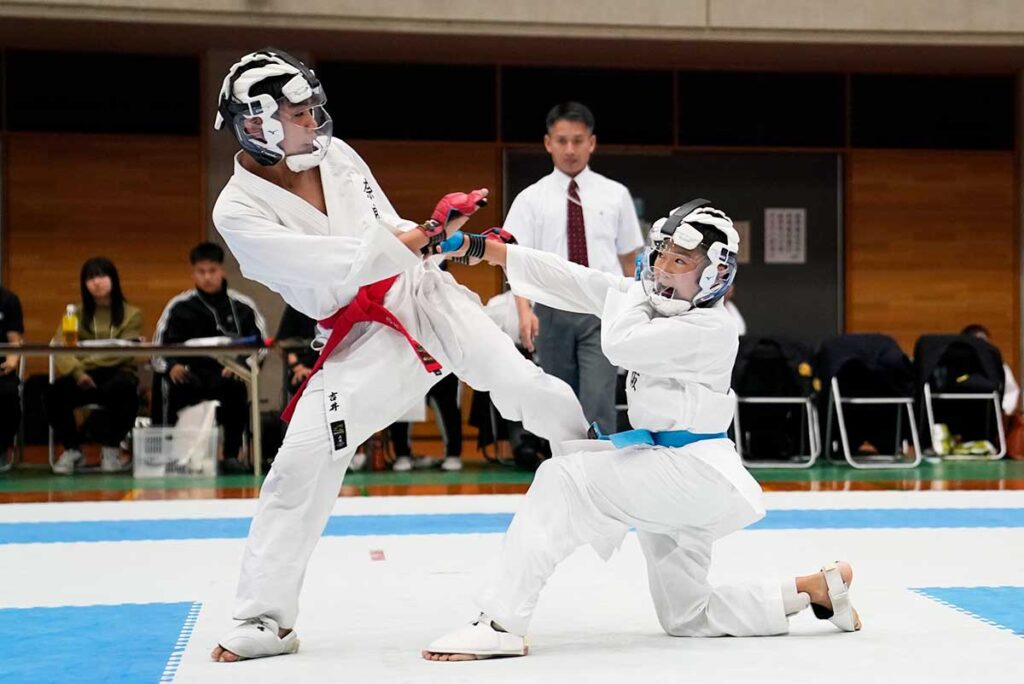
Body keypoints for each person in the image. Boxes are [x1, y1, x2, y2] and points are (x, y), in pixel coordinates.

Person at [207, 48, 587, 662]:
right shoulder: (238, 210)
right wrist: (426, 236)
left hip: (424, 296)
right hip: (362, 341)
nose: (314, 121)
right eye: (299, 113)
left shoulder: (334, 154)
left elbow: (391, 228)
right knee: (301, 461)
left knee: (519, 382)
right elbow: (340, 263)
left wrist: (451, 241)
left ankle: (600, 461)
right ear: (260, 123)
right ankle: (265, 619)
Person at [424, 199, 860, 661]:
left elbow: (619, 343)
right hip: (672, 475)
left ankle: (500, 623)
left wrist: (626, 289)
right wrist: (481, 248)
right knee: (688, 616)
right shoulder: (650, 302)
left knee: (562, 481)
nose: (662, 269)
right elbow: (570, 279)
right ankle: (813, 591)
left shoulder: (712, 329)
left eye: (679, 261)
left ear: (713, 274)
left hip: (693, 474)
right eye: (660, 256)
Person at [505, 101, 644, 434]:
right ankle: (565, 472)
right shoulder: (530, 198)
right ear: (548, 143)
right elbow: (515, 260)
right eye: (562, 140)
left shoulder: (616, 194)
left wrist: (636, 309)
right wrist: (525, 311)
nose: (570, 149)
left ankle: (602, 473)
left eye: (578, 140)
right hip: (552, 308)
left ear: (591, 143)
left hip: (602, 309)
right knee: (559, 402)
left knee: (598, 400)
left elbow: (629, 258)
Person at [153, 242, 267, 474]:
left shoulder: (243, 306)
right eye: (201, 272)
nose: (207, 277)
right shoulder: (178, 306)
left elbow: (261, 346)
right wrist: (172, 366)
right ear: (193, 272)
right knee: (169, 387)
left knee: (236, 390)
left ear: (222, 270)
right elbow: (158, 348)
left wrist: (242, 366)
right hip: (188, 375)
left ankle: (232, 456)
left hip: (227, 375)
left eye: (212, 271)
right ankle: (177, 457)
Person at [46, 258, 142, 474]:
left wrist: (85, 360)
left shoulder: (132, 314)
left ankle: (111, 450)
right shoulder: (74, 313)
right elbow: (60, 346)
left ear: (113, 280)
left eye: (101, 276)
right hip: (82, 376)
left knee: (127, 391)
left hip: (116, 374)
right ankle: (72, 450)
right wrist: (79, 372)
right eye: (90, 278)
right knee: (52, 394)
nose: (96, 282)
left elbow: (122, 352)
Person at [388, 372, 464, 472]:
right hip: (410, 366)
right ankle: (402, 454)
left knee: (446, 399)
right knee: (403, 399)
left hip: (438, 366)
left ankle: (453, 454)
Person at [961, 323, 1019, 416]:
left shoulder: (999, 367)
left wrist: (1003, 412)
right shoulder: (957, 365)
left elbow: (1011, 391)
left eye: (986, 343)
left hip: (993, 416)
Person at [0, 285, 25, 465]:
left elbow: (14, 341)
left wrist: (12, 360)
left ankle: (2, 446)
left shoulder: (8, 299)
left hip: (1, 367)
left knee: (8, 393)